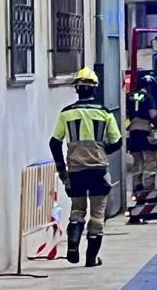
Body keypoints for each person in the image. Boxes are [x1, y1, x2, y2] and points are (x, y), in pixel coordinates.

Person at [49, 68, 122, 267]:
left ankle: (73, 243)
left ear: (77, 90)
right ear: (94, 89)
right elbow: (117, 142)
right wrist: (102, 149)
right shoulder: (105, 113)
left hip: (75, 170)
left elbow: (54, 143)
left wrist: (62, 169)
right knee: (98, 214)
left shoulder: (67, 114)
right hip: (98, 170)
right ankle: (91, 258)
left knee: (77, 209)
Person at [124, 73, 157, 197]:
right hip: (145, 132)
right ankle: (149, 191)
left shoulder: (130, 96)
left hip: (133, 133)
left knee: (137, 162)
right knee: (149, 162)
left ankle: (136, 189)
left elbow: (126, 115)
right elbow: (152, 115)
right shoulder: (149, 98)